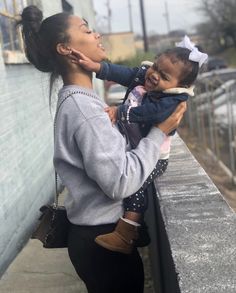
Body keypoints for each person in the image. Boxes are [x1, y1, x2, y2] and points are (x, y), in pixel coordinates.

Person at [19, 5, 186, 293]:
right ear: (66, 49)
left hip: (96, 238)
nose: (97, 34)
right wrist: (158, 133)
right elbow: (120, 182)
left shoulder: (82, 101)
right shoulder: (83, 109)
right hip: (102, 241)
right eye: (86, 29)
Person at [70, 36, 208, 254]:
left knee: (136, 186)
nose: (153, 75)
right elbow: (123, 73)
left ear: (180, 85)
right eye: (155, 66)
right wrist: (95, 66)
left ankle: (127, 233)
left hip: (155, 157)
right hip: (136, 147)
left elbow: (151, 113)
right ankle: (140, 231)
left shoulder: (172, 100)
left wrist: (121, 111)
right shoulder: (145, 76)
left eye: (163, 76)